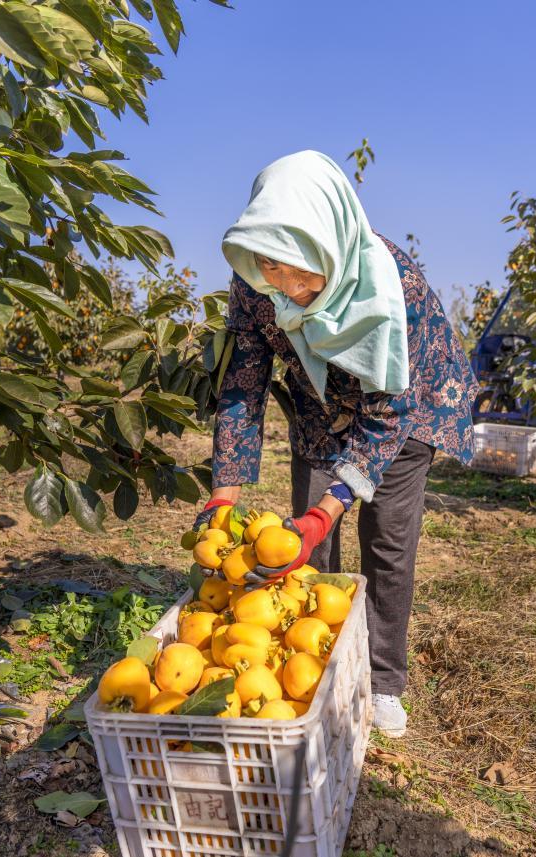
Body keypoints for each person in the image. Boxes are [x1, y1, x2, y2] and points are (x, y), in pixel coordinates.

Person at [193, 151, 478, 737]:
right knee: (306, 546)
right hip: (321, 406)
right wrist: (223, 498)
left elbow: (387, 410)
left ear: (332, 249)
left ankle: (383, 680)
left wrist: (330, 511)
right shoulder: (256, 279)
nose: (289, 289)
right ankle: (315, 659)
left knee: (387, 542)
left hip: (404, 407)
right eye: (275, 270)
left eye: (302, 275)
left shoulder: (392, 283)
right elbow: (242, 385)